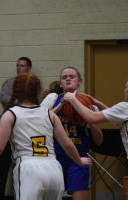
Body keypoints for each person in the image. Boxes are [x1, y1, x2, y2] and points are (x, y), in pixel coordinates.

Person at [0, 73, 92, 200]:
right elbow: (68, 144)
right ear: (38, 91)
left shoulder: (10, 114)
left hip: (29, 169)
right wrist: (79, 161)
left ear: (15, 91)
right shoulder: (50, 114)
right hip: (54, 169)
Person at [63, 74, 128, 200]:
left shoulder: (127, 107)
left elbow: (91, 117)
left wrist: (72, 99)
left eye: (126, 87)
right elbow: (117, 116)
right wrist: (96, 102)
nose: (124, 90)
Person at [41, 67, 103, 200]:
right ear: (60, 83)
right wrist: (60, 106)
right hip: (54, 158)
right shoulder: (52, 98)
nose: (68, 78)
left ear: (79, 81)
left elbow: (98, 140)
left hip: (78, 159)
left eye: (72, 76)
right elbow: (40, 123)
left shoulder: (88, 103)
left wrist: (90, 118)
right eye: (64, 77)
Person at [0, 57, 32, 200]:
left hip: (25, 132)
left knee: (24, 168)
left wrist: (18, 101)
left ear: (28, 68)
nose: (18, 68)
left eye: (22, 66)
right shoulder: (9, 82)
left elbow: (34, 103)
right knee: (2, 167)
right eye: (17, 65)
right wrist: (23, 101)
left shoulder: (32, 84)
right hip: (9, 130)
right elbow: (4, 99)